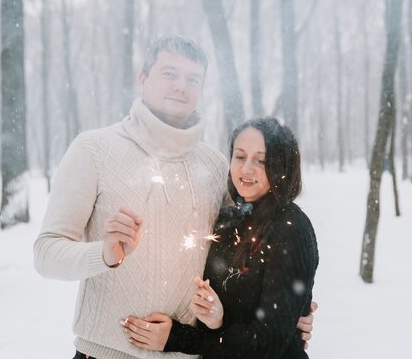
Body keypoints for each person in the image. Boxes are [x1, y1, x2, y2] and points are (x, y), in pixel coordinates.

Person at [34, 35, 314, 359]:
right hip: (105, 353)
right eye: (169, 74)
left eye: (192, 79)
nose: (181, 86)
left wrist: (292, 311)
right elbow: (46, 254)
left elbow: (249, 259)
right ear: (143, 78)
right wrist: (105, 254)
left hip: (187, 354)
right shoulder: (93, 150)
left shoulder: (215, 165)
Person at [122, 117, 318, 359]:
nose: (246, 169)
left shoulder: (290, 228)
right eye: (240, 156)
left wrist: (177, 338)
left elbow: (268, 343)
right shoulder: (229, 218)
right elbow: (236, 315)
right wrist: (217, 320)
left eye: (261, 160)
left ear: (282, 167)